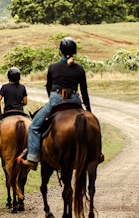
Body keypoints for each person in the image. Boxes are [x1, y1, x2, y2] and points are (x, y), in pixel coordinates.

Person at [18, 37, 92, 170]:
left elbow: (48, 87)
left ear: (60, 52)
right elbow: (84, 92)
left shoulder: (53, 67)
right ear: (75, 52)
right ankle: (95, 153)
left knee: (34, 127)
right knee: (90, 125)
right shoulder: (79, 69)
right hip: (75, 101)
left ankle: (33, 158)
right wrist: (88, 109)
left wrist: (52, 101)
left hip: (56, 100)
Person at [0, 67, 28, 158]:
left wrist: (0, 112)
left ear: (9, 77)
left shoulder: (5, 87)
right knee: (33, 128)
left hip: (8, 113)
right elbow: (25, 102)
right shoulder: (22, 87)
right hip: (20, 113)